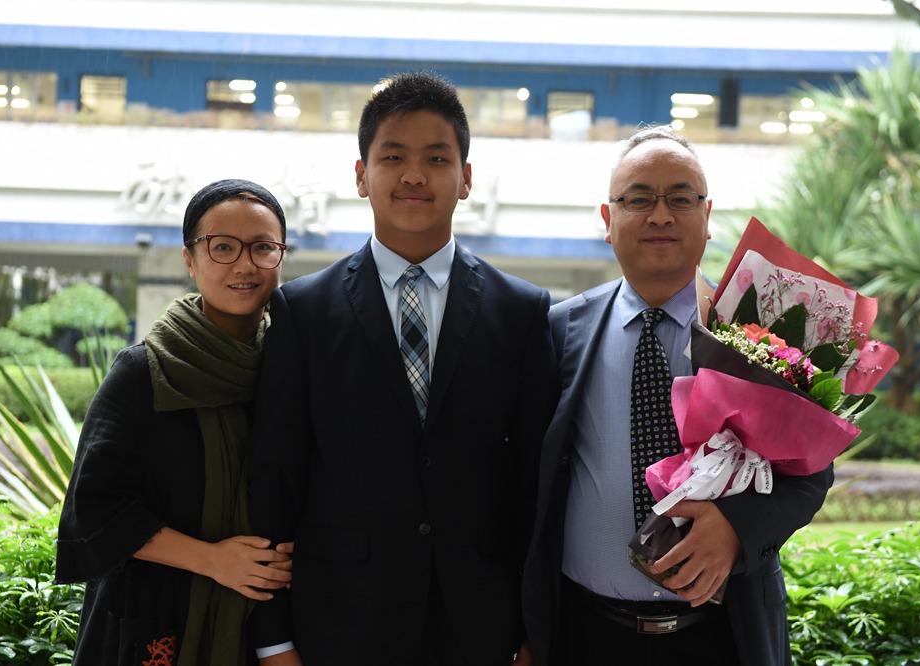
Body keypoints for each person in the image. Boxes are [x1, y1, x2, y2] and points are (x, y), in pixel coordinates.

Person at [246, 71, 559, 666]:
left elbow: (534, 488)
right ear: (361, 175)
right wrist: (274, 639)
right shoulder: (303, 311)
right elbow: (275, 478)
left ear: (465, 178)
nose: (414, 175)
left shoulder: (521, 311)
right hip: (340, 624)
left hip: (482, 627)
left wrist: (532, 631)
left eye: (437, 158)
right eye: (393, 157)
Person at [521, 125, 834, 666]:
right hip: (584, 635)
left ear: (707, 218)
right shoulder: (557, 330)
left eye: (681, 199)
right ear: (608, 219)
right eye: (639, 199)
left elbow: (812, 470)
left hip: (722, 636)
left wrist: (738, 527)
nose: (661, 216)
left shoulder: (763, 330)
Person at [56, 179, 295, 666]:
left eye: (263, 247)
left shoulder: (292, 369)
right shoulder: (145, 371)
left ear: (280, 257)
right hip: (154, 619)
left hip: (266, 624)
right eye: (222, 247)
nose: (245, 265)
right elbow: (93, 509)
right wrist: (213, 560)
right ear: (190, 260)